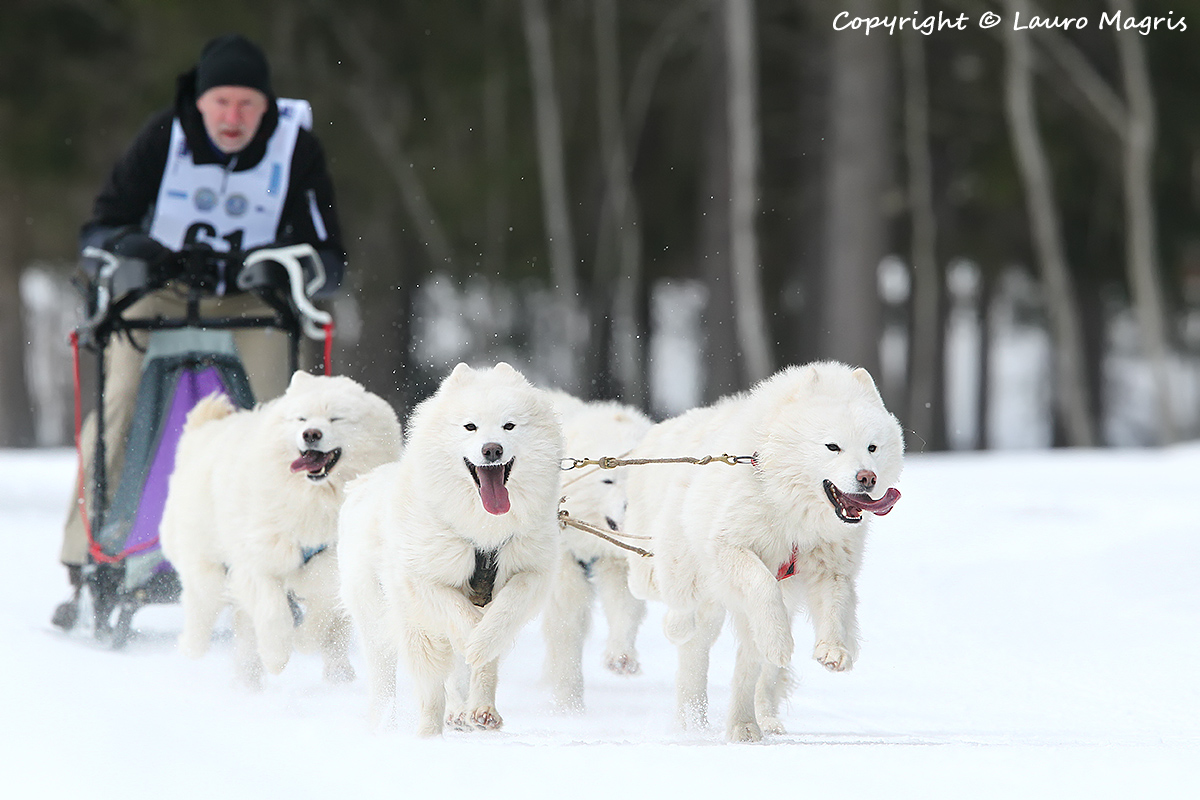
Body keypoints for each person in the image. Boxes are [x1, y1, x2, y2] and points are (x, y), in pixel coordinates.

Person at [53, 33, 347, 626]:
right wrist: (137, 248)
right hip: (161, 292)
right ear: (201, 102)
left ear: (267, 107)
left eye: (246, 104)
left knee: (288, 415)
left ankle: (293, 555)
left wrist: (275, 261)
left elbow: (330, 257)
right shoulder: (164, 136)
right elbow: (98, 231)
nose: (232, 118)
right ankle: (91, 553)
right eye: (221, 103)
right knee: (117, 402)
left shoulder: (297, 148)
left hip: (251, 298)